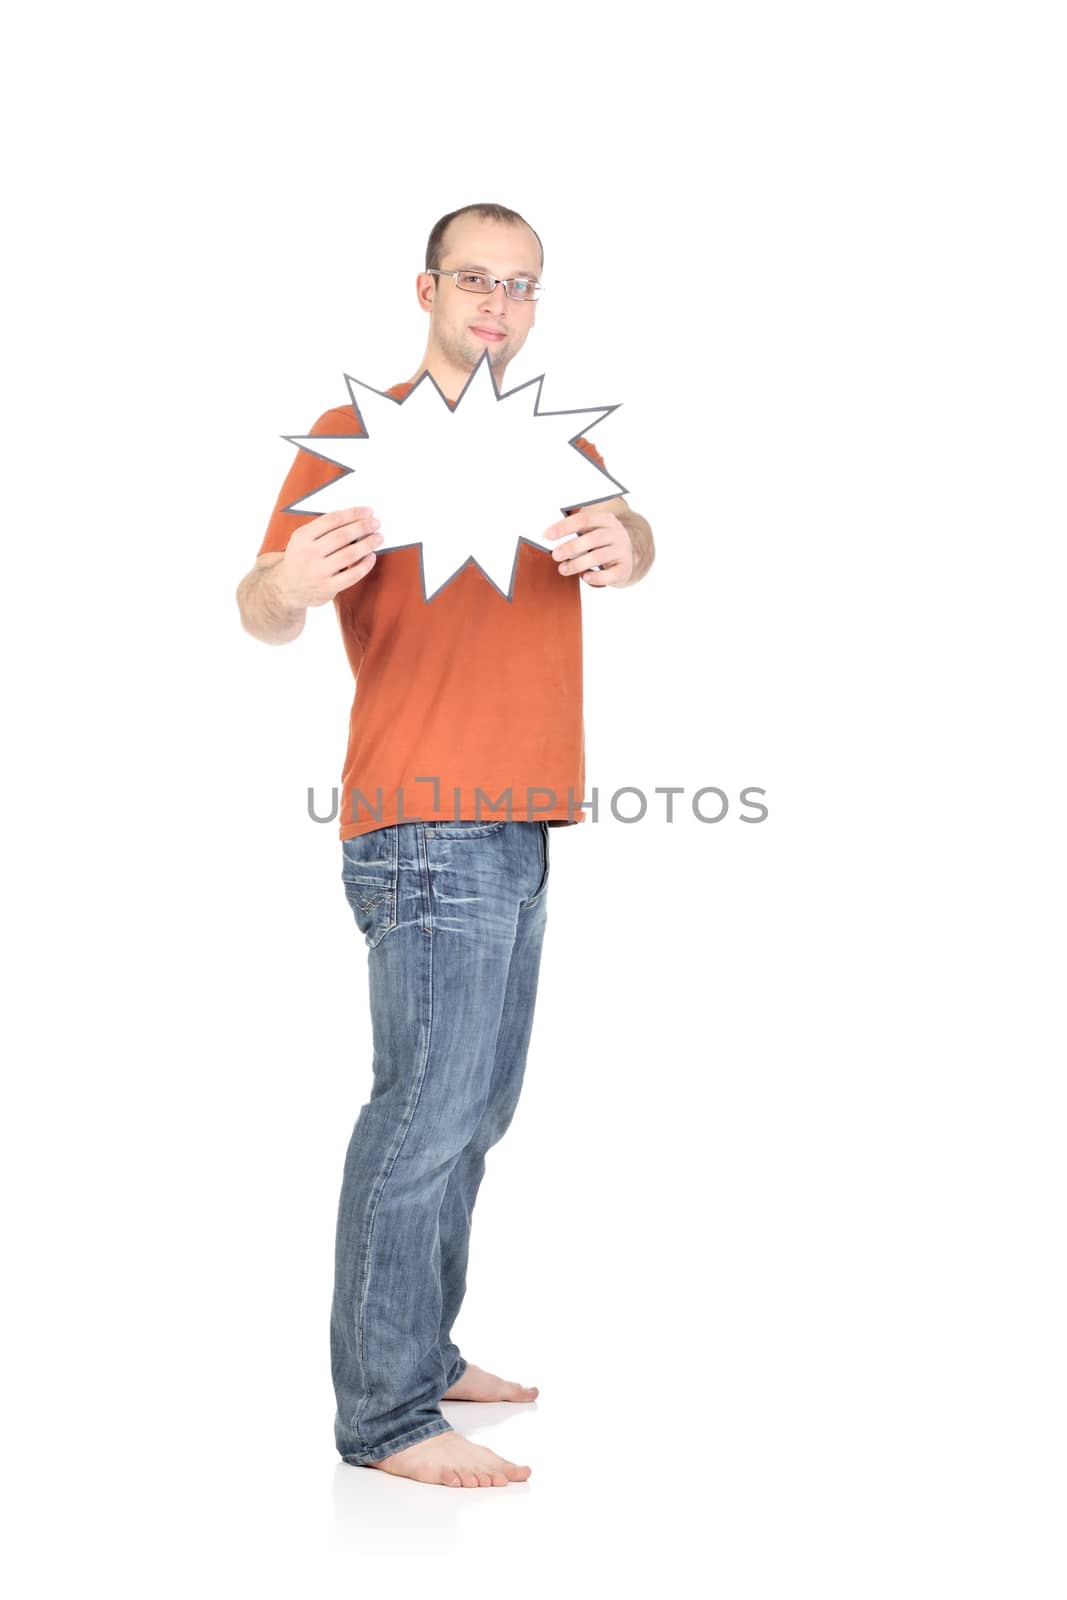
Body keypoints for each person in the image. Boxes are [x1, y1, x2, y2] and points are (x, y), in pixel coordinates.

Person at [235, 202, 655, 1489]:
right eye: (475, 278)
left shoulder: (553, 442)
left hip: (522, 819)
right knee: (421, 1113)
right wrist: (288, 591)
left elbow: (636, 542)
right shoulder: (352, 442)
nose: (496, 302)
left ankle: (423, 1344)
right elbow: (259, 603)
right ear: (425, 286)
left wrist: (626, 545)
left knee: (474, 1111)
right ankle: (384, 1417)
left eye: (521, 285)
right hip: (423, 822)